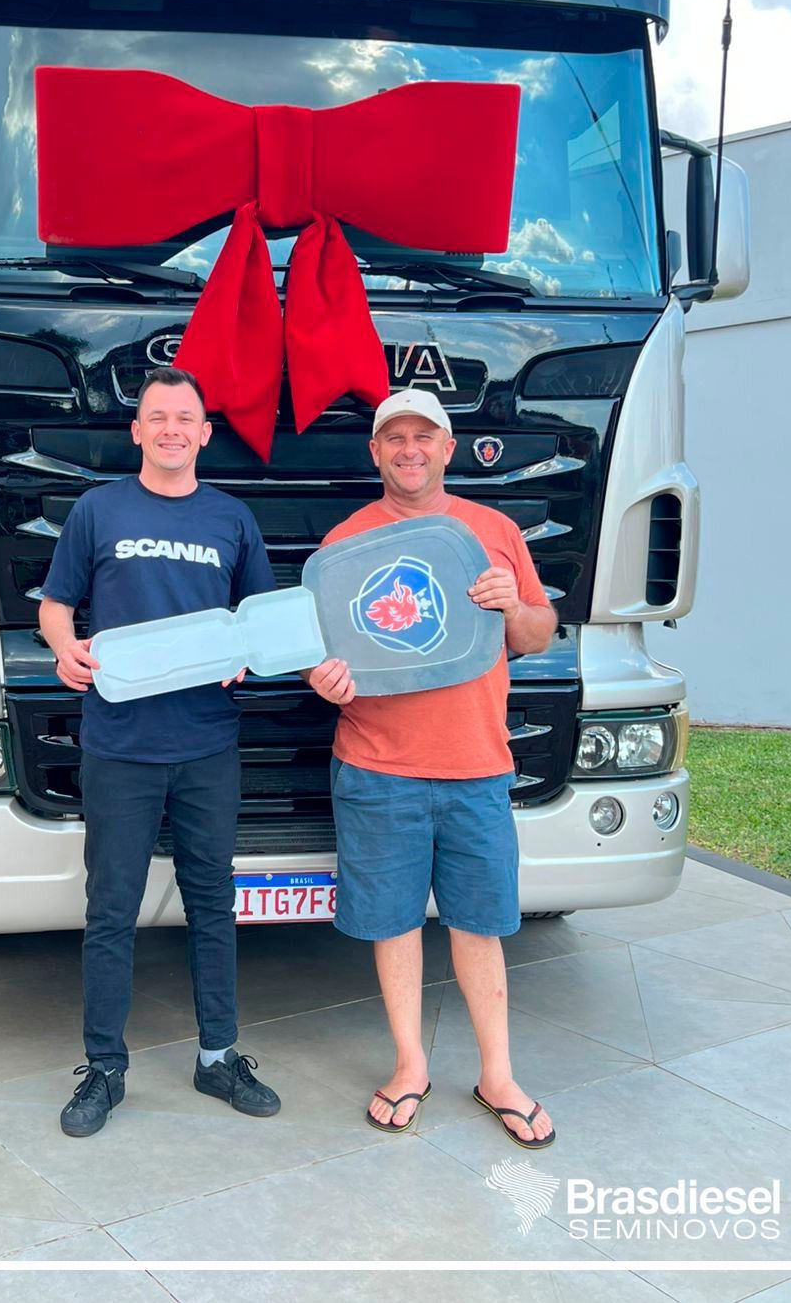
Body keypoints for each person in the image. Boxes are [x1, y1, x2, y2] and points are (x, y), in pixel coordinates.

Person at [307, 388, 559, 1147]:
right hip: (377, 765)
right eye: (395, 438)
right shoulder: (344, 545)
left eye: (424, 437)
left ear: (448, 449)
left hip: (477, 764)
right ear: (375, 452)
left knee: (480, 925)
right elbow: (318, 652)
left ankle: (497, 1075)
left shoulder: (494, 532)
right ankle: (410, 1063)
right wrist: (323, 679)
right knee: (393, 925)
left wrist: (514, 607)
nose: (409, 449)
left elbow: (538, 633)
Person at [39, 366, 282, 1137]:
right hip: (119, 745)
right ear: (137, 430)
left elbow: (262, 619)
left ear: (205, 434)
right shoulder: (98, 510)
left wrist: (247, 649)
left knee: (212, 903)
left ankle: (219, 1057)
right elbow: (55, 605)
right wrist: (65, 648)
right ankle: (104, 1069)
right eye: (158, 417)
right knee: (112, 909)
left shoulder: (231, 518)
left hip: (208, 744)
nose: (172, 428)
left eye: (185, 418)